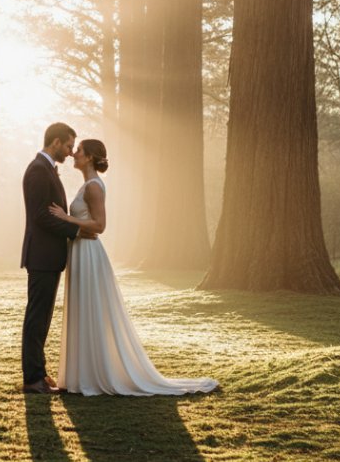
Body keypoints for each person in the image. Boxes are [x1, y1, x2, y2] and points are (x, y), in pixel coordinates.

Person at [50, 139, 218, 396]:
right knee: (82, 307)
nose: (74, 153)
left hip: (89, 253)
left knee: (90, 307)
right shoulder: (87, 185)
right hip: (80, 250)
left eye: (79, 151)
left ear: (91, 157)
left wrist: (65, 218)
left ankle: (93, 375)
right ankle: (80, 375)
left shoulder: (94, 187)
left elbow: (100, 225)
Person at [20, 122, 95, 394]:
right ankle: (32, 379)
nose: (71, 151)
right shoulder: (39, 170)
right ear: (55, 142)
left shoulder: (46, 169)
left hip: (48, 256)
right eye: (68, 145)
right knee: (37, 318)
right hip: (41, 255)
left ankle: (39, 372)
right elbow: (41, 215)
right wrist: (76, 230)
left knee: (42, 317)